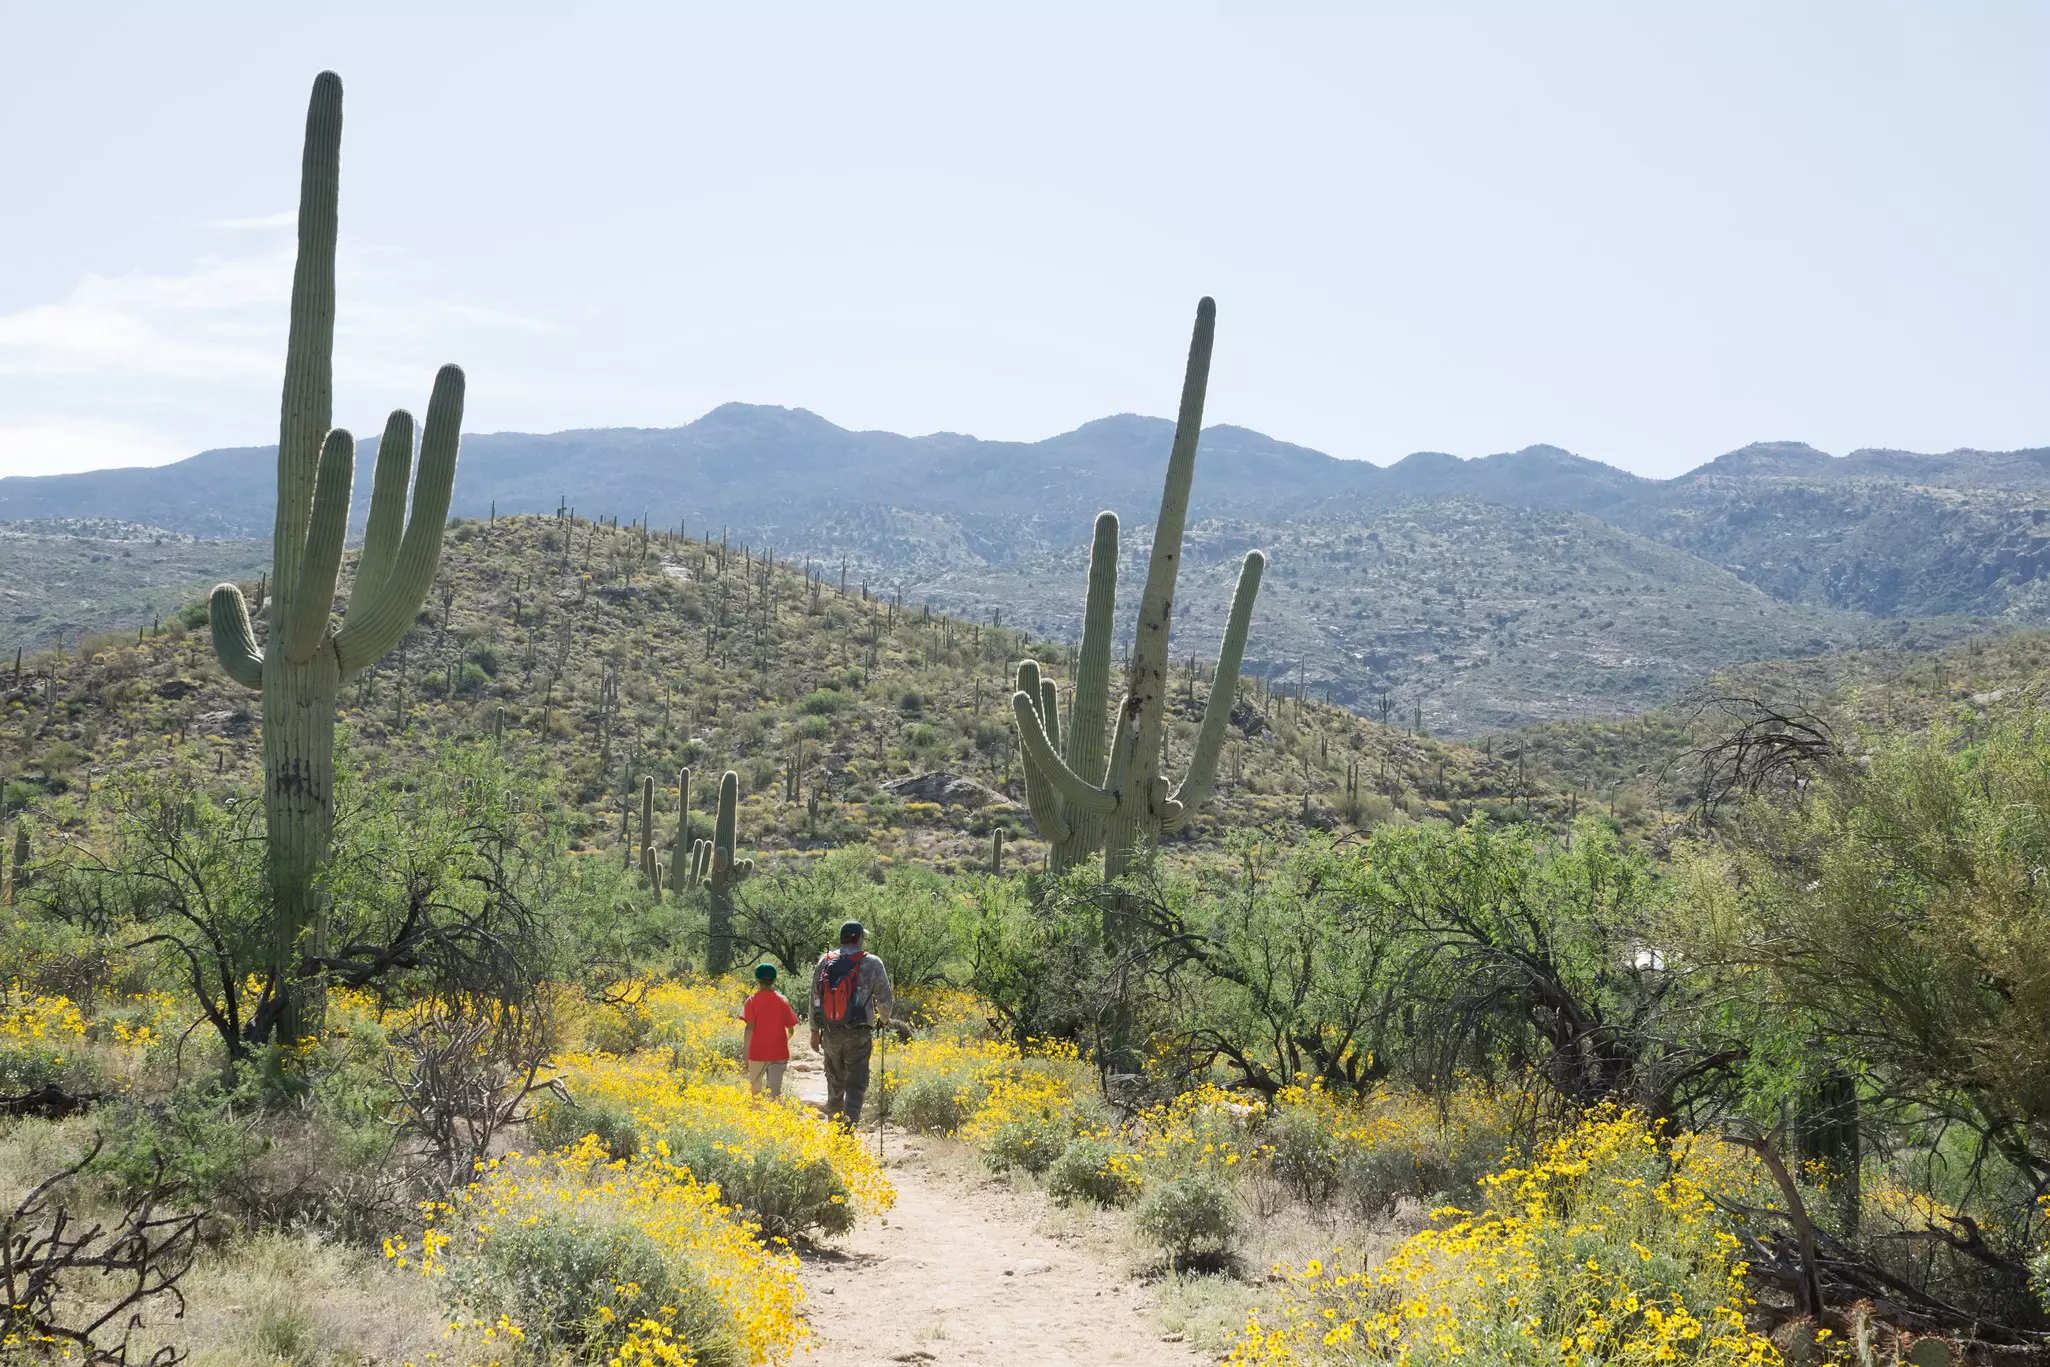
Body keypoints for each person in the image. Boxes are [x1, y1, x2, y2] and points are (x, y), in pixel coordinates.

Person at [809, 920, 893, 1126]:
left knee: (834, 1080)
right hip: (859, 1033)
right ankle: (848, 1129)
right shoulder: (872, 962)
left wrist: (813, 1031)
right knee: (856, 1083)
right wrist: (884, 1020)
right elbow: (885, 999)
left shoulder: (825, 961)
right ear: (859, 939)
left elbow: (813, 997)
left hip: (830, 1032)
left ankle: (835, 1129)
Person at [740, 962, 800, 1098]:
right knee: (774, 1093)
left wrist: (746, 1056)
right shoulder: (783, 1001)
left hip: (757, 1054)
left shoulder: (751, 1001)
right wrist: (784, 1040)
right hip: (779, 1053)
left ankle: (756, 1117)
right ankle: (774, 1117)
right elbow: (791, 1029)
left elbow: (749, 1029)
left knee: (755, 1093)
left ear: (756, 980)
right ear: (775, 980)